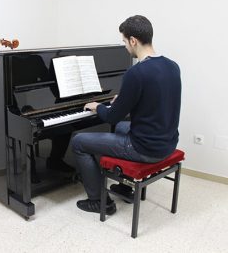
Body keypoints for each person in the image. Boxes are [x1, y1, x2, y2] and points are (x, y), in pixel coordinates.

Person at [71, 15, 181, 215]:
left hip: (144, 148)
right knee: (122, 128)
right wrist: (124, 99)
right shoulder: (172, 66)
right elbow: (154, 99)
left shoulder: (136, 72)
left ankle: (98, 201)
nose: (124, 46)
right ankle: (124, 186)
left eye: (124, 41)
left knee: (79, 142)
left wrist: (97, 106)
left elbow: (112, 117)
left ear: (133, 40)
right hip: (168, 142)